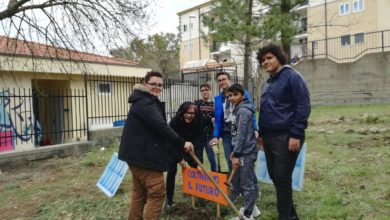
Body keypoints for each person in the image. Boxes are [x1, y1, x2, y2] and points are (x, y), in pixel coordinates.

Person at [118, 71, 194, 220]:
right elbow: (161, 127)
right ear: (145, 84)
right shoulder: (144, 102)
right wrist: (182, 142)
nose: (157, 87)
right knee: (157, 192)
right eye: (153, 84)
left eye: (160, 85)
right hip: (143, 157)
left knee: (140, 193)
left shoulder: (145, 100)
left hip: (135, 155)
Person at [256, 44, 311, 220]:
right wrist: (262, 135)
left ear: (279, 57)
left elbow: (303, 106)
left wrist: (296, 134)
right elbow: (264, 110)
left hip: (286, 135)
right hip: (270, 136)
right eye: (263, 60)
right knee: (275, 176)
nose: (265, 62)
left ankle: (285, 217)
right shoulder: (268, 83)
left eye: (269, 58)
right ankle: (292, 216)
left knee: (282, 177)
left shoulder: (292, 76)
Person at [210, 71, 258, 172]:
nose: (222, 82)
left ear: (229, 80)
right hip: (227, 133)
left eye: (224, 79)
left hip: (241, 132)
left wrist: (255, 128)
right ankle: (235, 184)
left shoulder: (242, 93)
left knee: (243, 161)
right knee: (230, 160)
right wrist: (216, 136)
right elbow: (218, 119)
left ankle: (245, 183)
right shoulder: (218, 99)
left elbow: (251, 110)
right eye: (219, 81)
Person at [227, 84, 261, 220]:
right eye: (230, 95)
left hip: (246, 152)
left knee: (246, 184)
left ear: (242, 95)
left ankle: (247, 215)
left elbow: (241, 135)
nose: (232, 98)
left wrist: (237, 153)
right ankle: (253, 208)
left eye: (235, 95)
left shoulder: (243, 111)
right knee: (251, 179)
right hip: (243, 150)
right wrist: (235, 150)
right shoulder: (239, 109)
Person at [165, 101, 204, 208]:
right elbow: (171, 141)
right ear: (182, 112)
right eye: (186, 112)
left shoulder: (198, 122)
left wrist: (199, 162)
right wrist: (180, 159)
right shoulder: (174, 122)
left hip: (190, 149)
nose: (189, 115)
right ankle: (169, 199)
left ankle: (198, 195)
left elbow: (199, 143)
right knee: (171, 171)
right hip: (174, 148)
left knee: (196, 170)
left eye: (192, 113)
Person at [194, 83, 217, 172]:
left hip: (211, 137)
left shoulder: (214, 105)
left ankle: (215, 176)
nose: (204, 92)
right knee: (198, 160)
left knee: (213, 158)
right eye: (202, 90)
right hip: (198, 136)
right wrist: (210, 119)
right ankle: (198, 179)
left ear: (210, 91)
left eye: (206, 90)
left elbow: (218, 119)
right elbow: (198, 118)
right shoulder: (196, 104)